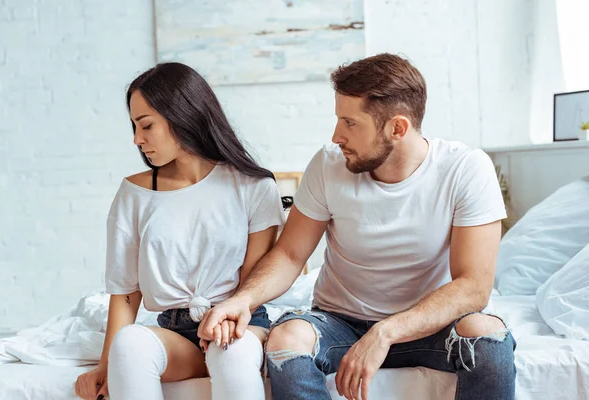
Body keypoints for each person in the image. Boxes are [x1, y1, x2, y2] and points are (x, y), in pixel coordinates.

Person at [199, 53, 516, 400]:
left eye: (350, 123)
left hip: (431, 325)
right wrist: (243, 299)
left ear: (397, 128)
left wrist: (386, 332)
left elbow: (473, 286)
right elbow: (290, 255)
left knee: (487, 335)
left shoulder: (466, 169)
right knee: (287, 340)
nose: (336, 135)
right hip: (341, 322)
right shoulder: (327, 165)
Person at [74, 62, 285, 400]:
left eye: (146, 125)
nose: (137, 139)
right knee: (129, 345)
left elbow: (252, 281)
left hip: (238, 323)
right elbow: (126, 293)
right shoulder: (134, 194)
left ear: (182, 115)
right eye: (134, 126)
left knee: (232, 354)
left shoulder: (253, 186)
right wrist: (106, 365)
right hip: (176, 333)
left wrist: (228, 318)